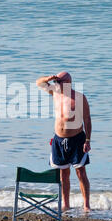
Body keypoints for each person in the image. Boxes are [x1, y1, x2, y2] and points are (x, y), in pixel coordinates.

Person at [36, 72, 91, 212]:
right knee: (63, 174)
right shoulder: (55, 92)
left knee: (81, 172)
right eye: (55, 82)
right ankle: (66, 204)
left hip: (77, 139)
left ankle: (86, 205)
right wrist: (48, 79)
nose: (56, 84)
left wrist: (88, 140)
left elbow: (87, 120)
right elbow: (38, 83)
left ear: (68, 82)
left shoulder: (79, 97)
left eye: (59, 82)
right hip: (58, 139)